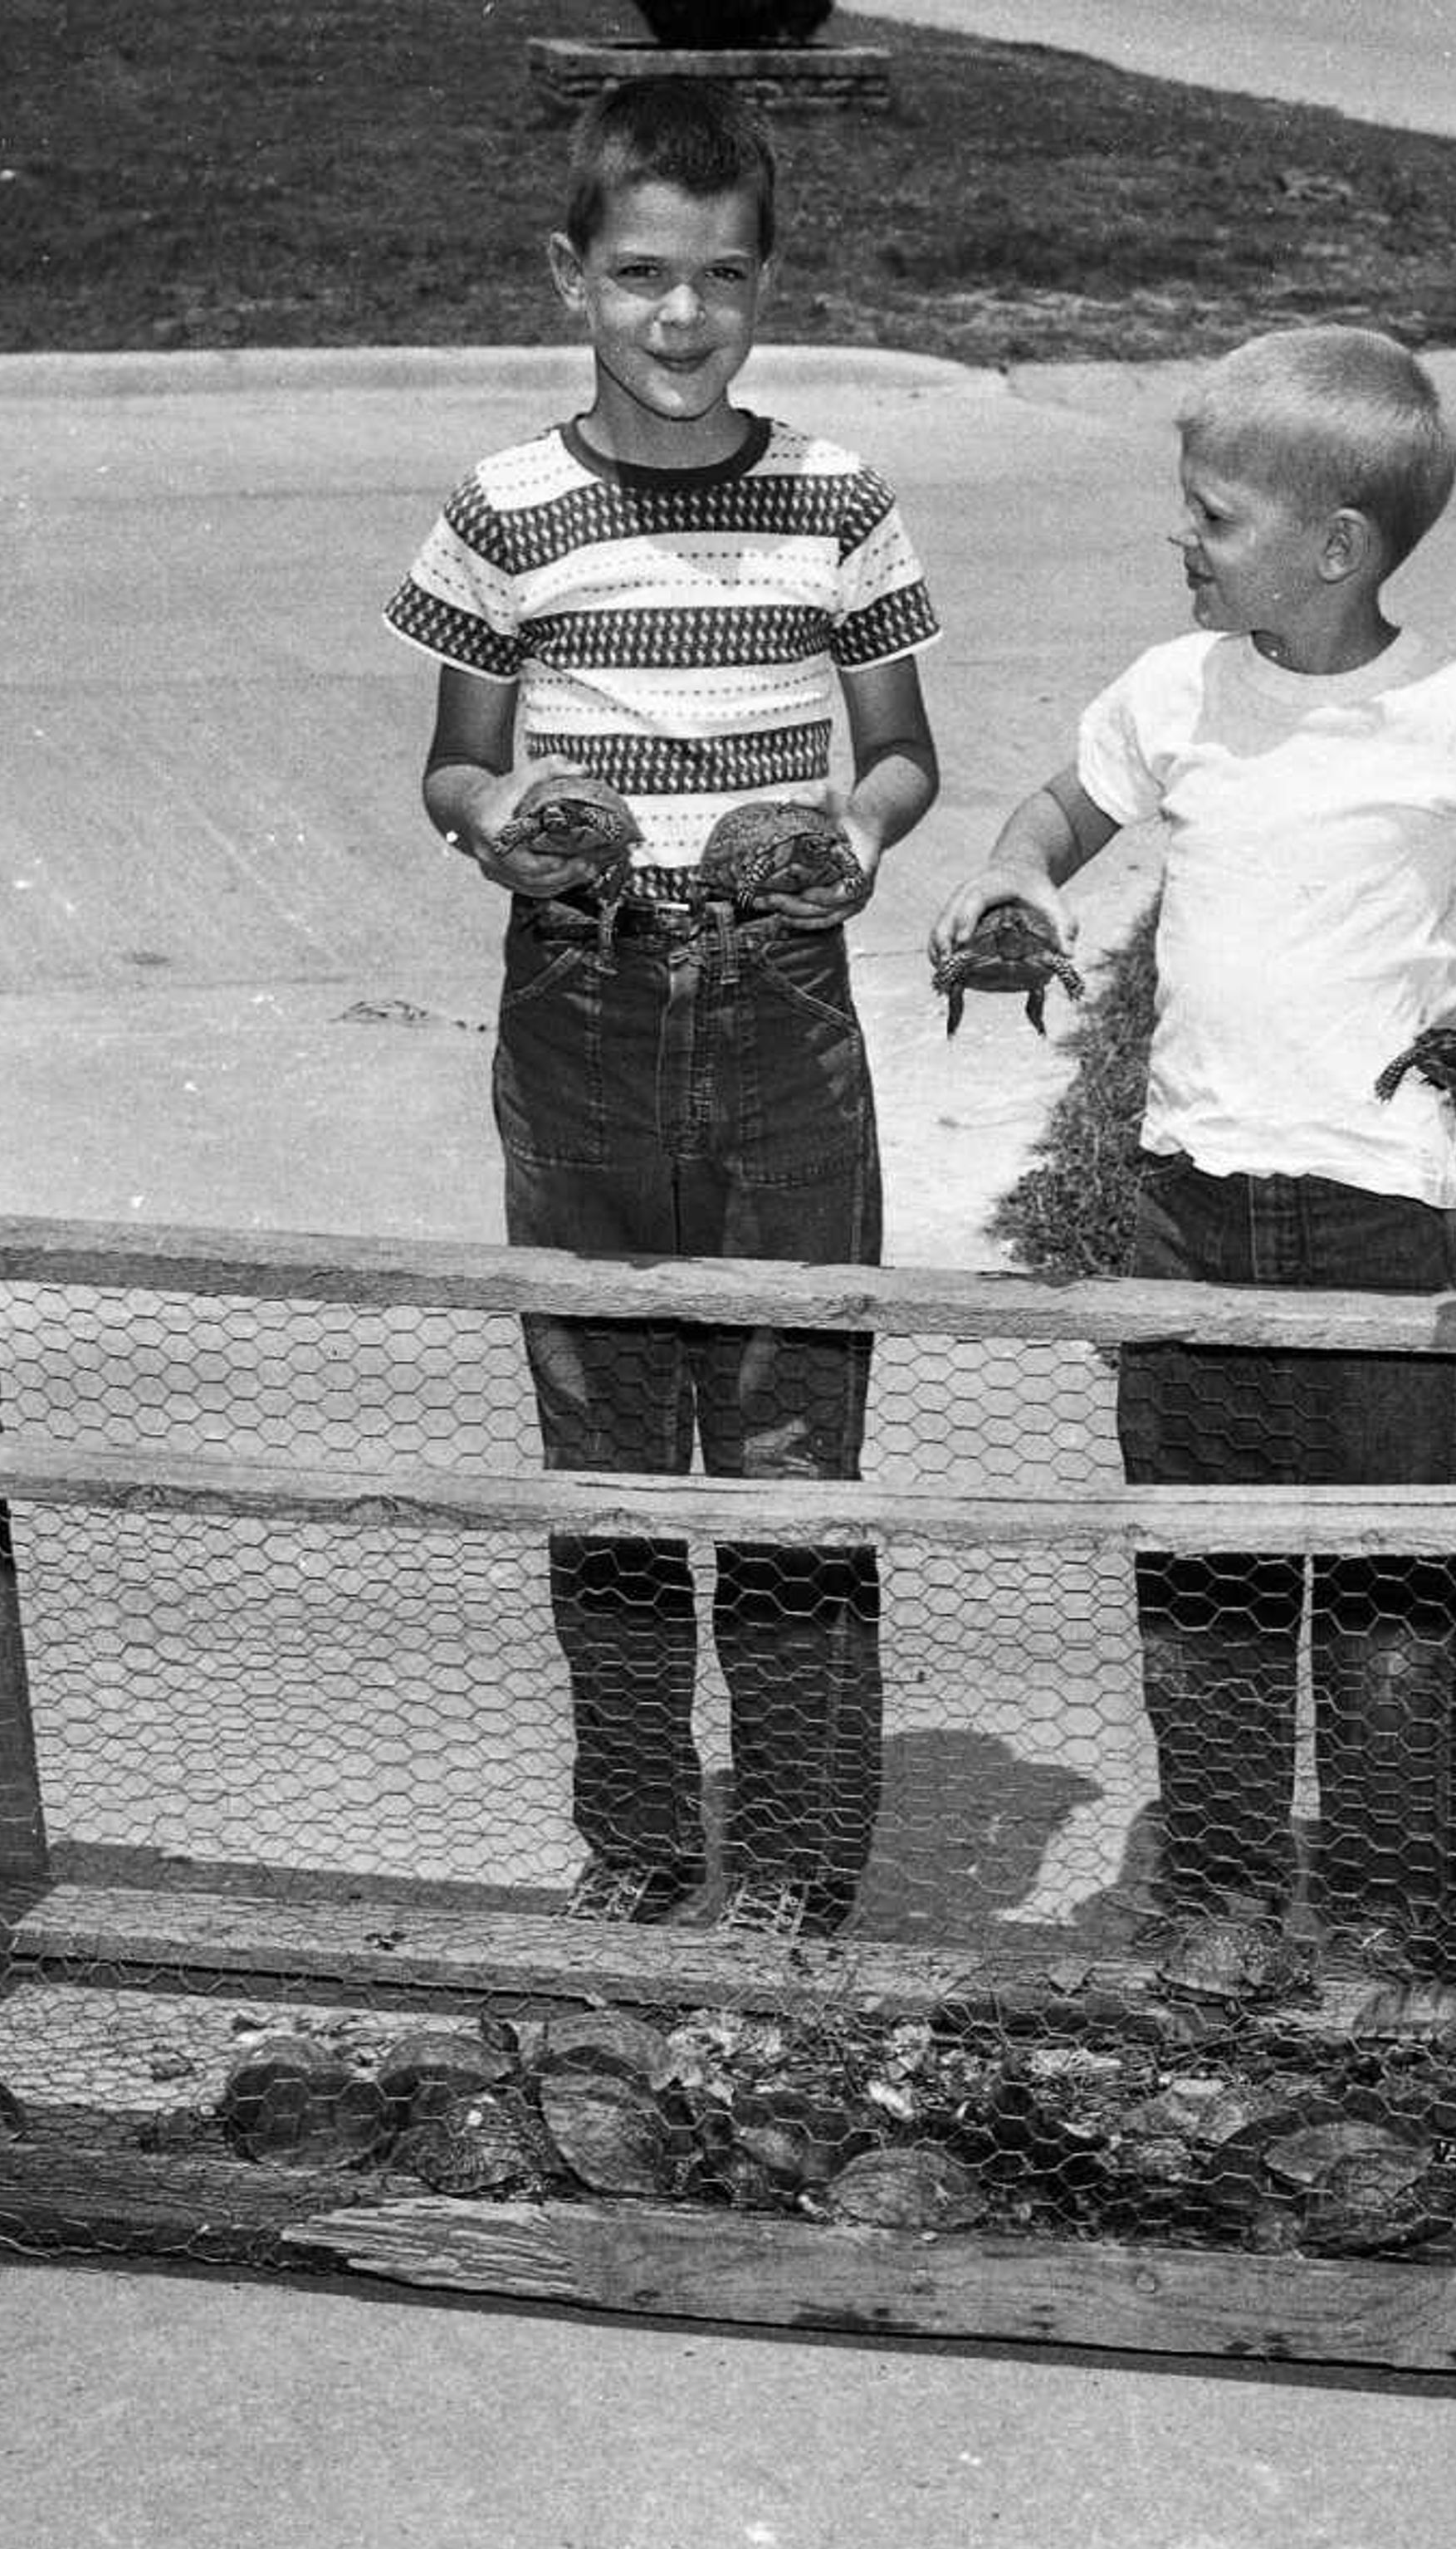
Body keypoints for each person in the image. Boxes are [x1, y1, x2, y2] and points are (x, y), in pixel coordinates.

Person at [929, 325, 1456, 1992]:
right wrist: (1017, 877)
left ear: (1336, 546)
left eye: (1214, 515)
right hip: (1187, 1206)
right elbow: (1054, 813)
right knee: (1209, 1560)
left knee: (1393, 1577)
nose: (1186, 539)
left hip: (1379, 1214)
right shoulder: (1176, 691)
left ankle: (1400, 1897)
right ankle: (1222, 1887)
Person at [384, 76, 941, 1940]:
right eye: (640, 276)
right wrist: (512, 832)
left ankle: (796, 1854)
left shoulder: (838, 498)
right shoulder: (505, 509)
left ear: (768, 279)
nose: (681, 318)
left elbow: (904, 757)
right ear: (571, 278)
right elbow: (456, 766)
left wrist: (853, 838)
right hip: (584, 987)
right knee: (603, 1432)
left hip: (784, 997)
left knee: (792, 1437)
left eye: (720, 278)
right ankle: (635, 1833)